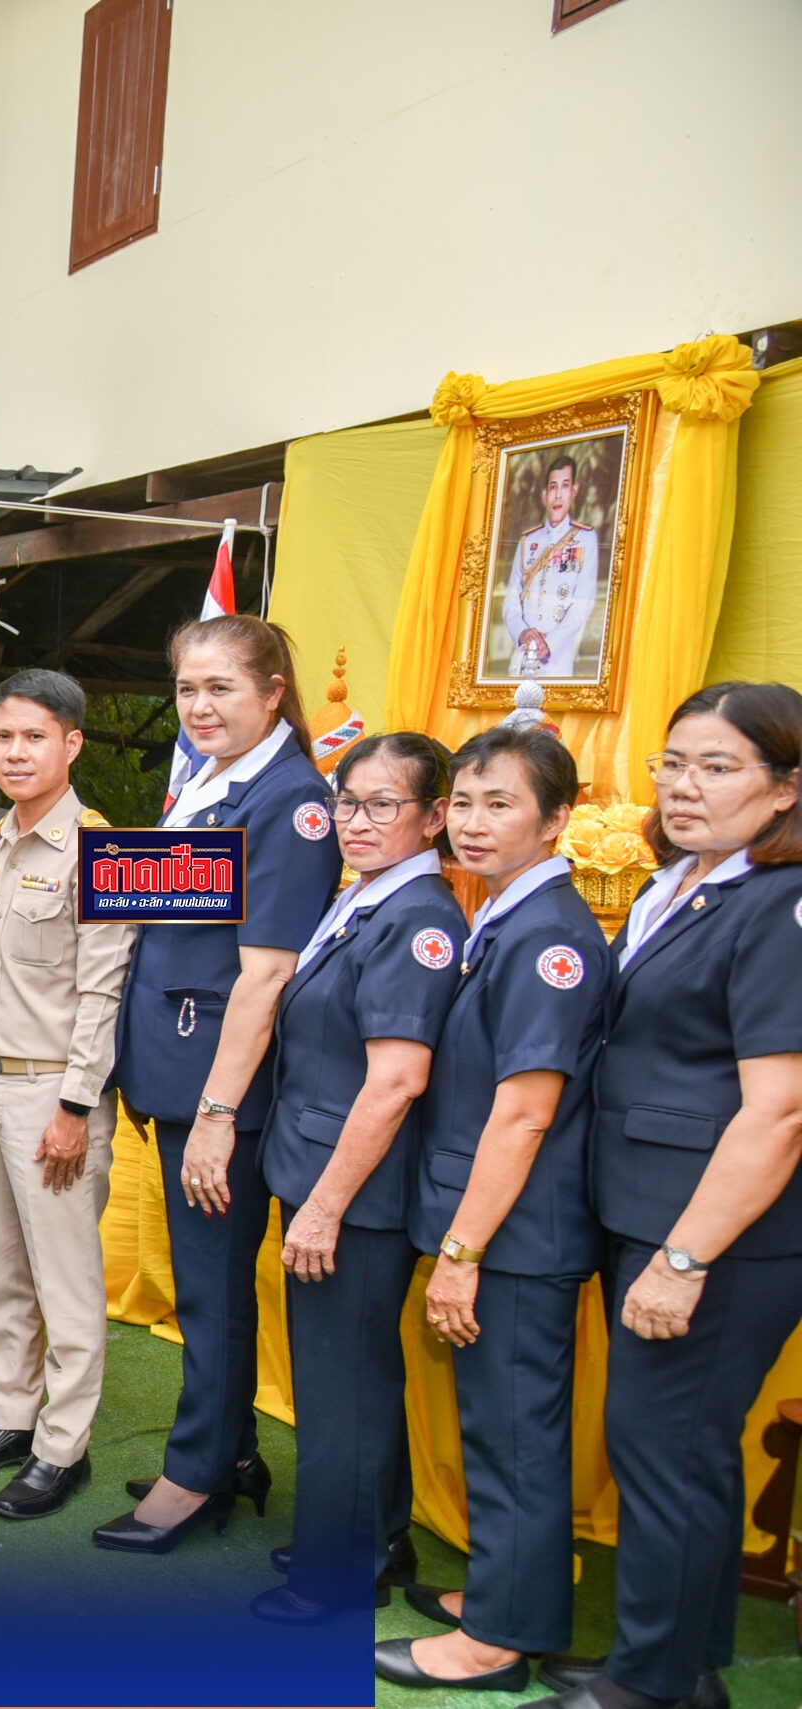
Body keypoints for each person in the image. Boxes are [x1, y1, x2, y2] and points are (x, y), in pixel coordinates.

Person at [523, 684, 802, 1709]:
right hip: (641, 1205)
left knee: (671, 1451)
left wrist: (683, 1259)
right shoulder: (681, 880)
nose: (683, 784)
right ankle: (677, 1666)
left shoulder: (781, 905)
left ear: (785, 790)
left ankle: (652, 1682)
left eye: (719, 766)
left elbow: (778, 1110)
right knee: (661, 1448)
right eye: (672, 761)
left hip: (718, 1234)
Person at [102, 615, 342, 1553]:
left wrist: (215, 1114)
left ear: (274, 690)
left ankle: (196, 1473)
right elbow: (158, 915)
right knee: (207, 1283)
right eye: (187, 689)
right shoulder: (210, 781)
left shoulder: (290, 802)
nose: (199, 706)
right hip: (173, 1070)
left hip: (220, 1093)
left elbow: (266, 973)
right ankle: (233, 1450)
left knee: (211, 1291)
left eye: (221, 689)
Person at [376, 724, 607, 1692]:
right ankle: (510, 1591)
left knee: (514, 1433)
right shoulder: (504, 914)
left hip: (515, 1236)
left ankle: (501, 1639)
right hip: (498, 1228)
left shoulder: (548, 933)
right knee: (499, 1426)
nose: (471, 822)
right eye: (461, 803)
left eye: (498, 803)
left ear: (556, 820)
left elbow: (524, 1112)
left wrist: (463, 1248)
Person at [252, 732, 463, 1624]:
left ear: (433, 816)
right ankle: (369, 1537)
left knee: (347, 1390)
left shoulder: (419, 919)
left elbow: (398, 1078)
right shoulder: (368, 898)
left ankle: (340, 1572)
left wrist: (326, 1206)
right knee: (344, 1382)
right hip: (324, 1173)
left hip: (356, 1196)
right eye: (347, 801)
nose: (358, 819)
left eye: (383, 804)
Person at [0, 670, 137, 1519]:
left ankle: (62, 1447)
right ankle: (11, 1420)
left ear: (72, 743)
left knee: (67, 1281)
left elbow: (103, 989)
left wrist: (76, 1109)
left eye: (34, 737)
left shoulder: (104, 851)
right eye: (2, 737)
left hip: (56, 1095)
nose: (14, 751)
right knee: (0, 1271)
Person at [502, 456, 601, 680]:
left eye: (565, 486)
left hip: (558, 661)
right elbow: (511, 599)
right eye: (553, 487)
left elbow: (582, 605)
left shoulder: (585, 539)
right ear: (544, 495)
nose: (558, 495)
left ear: (574, 491)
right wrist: (522, 633)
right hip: (521, 657)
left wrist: (549, 643)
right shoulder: (528, 540)